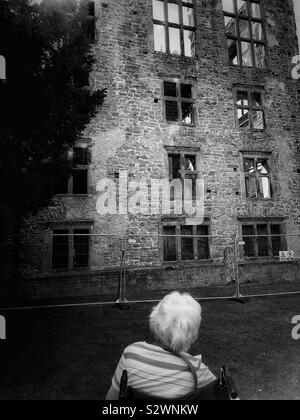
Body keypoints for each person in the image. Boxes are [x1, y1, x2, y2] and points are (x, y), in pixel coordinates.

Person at [106, 292, 216, 400]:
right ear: (192, 333)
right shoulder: (199, 372)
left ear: (155, 320)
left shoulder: (131, 355)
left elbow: (111, 399)